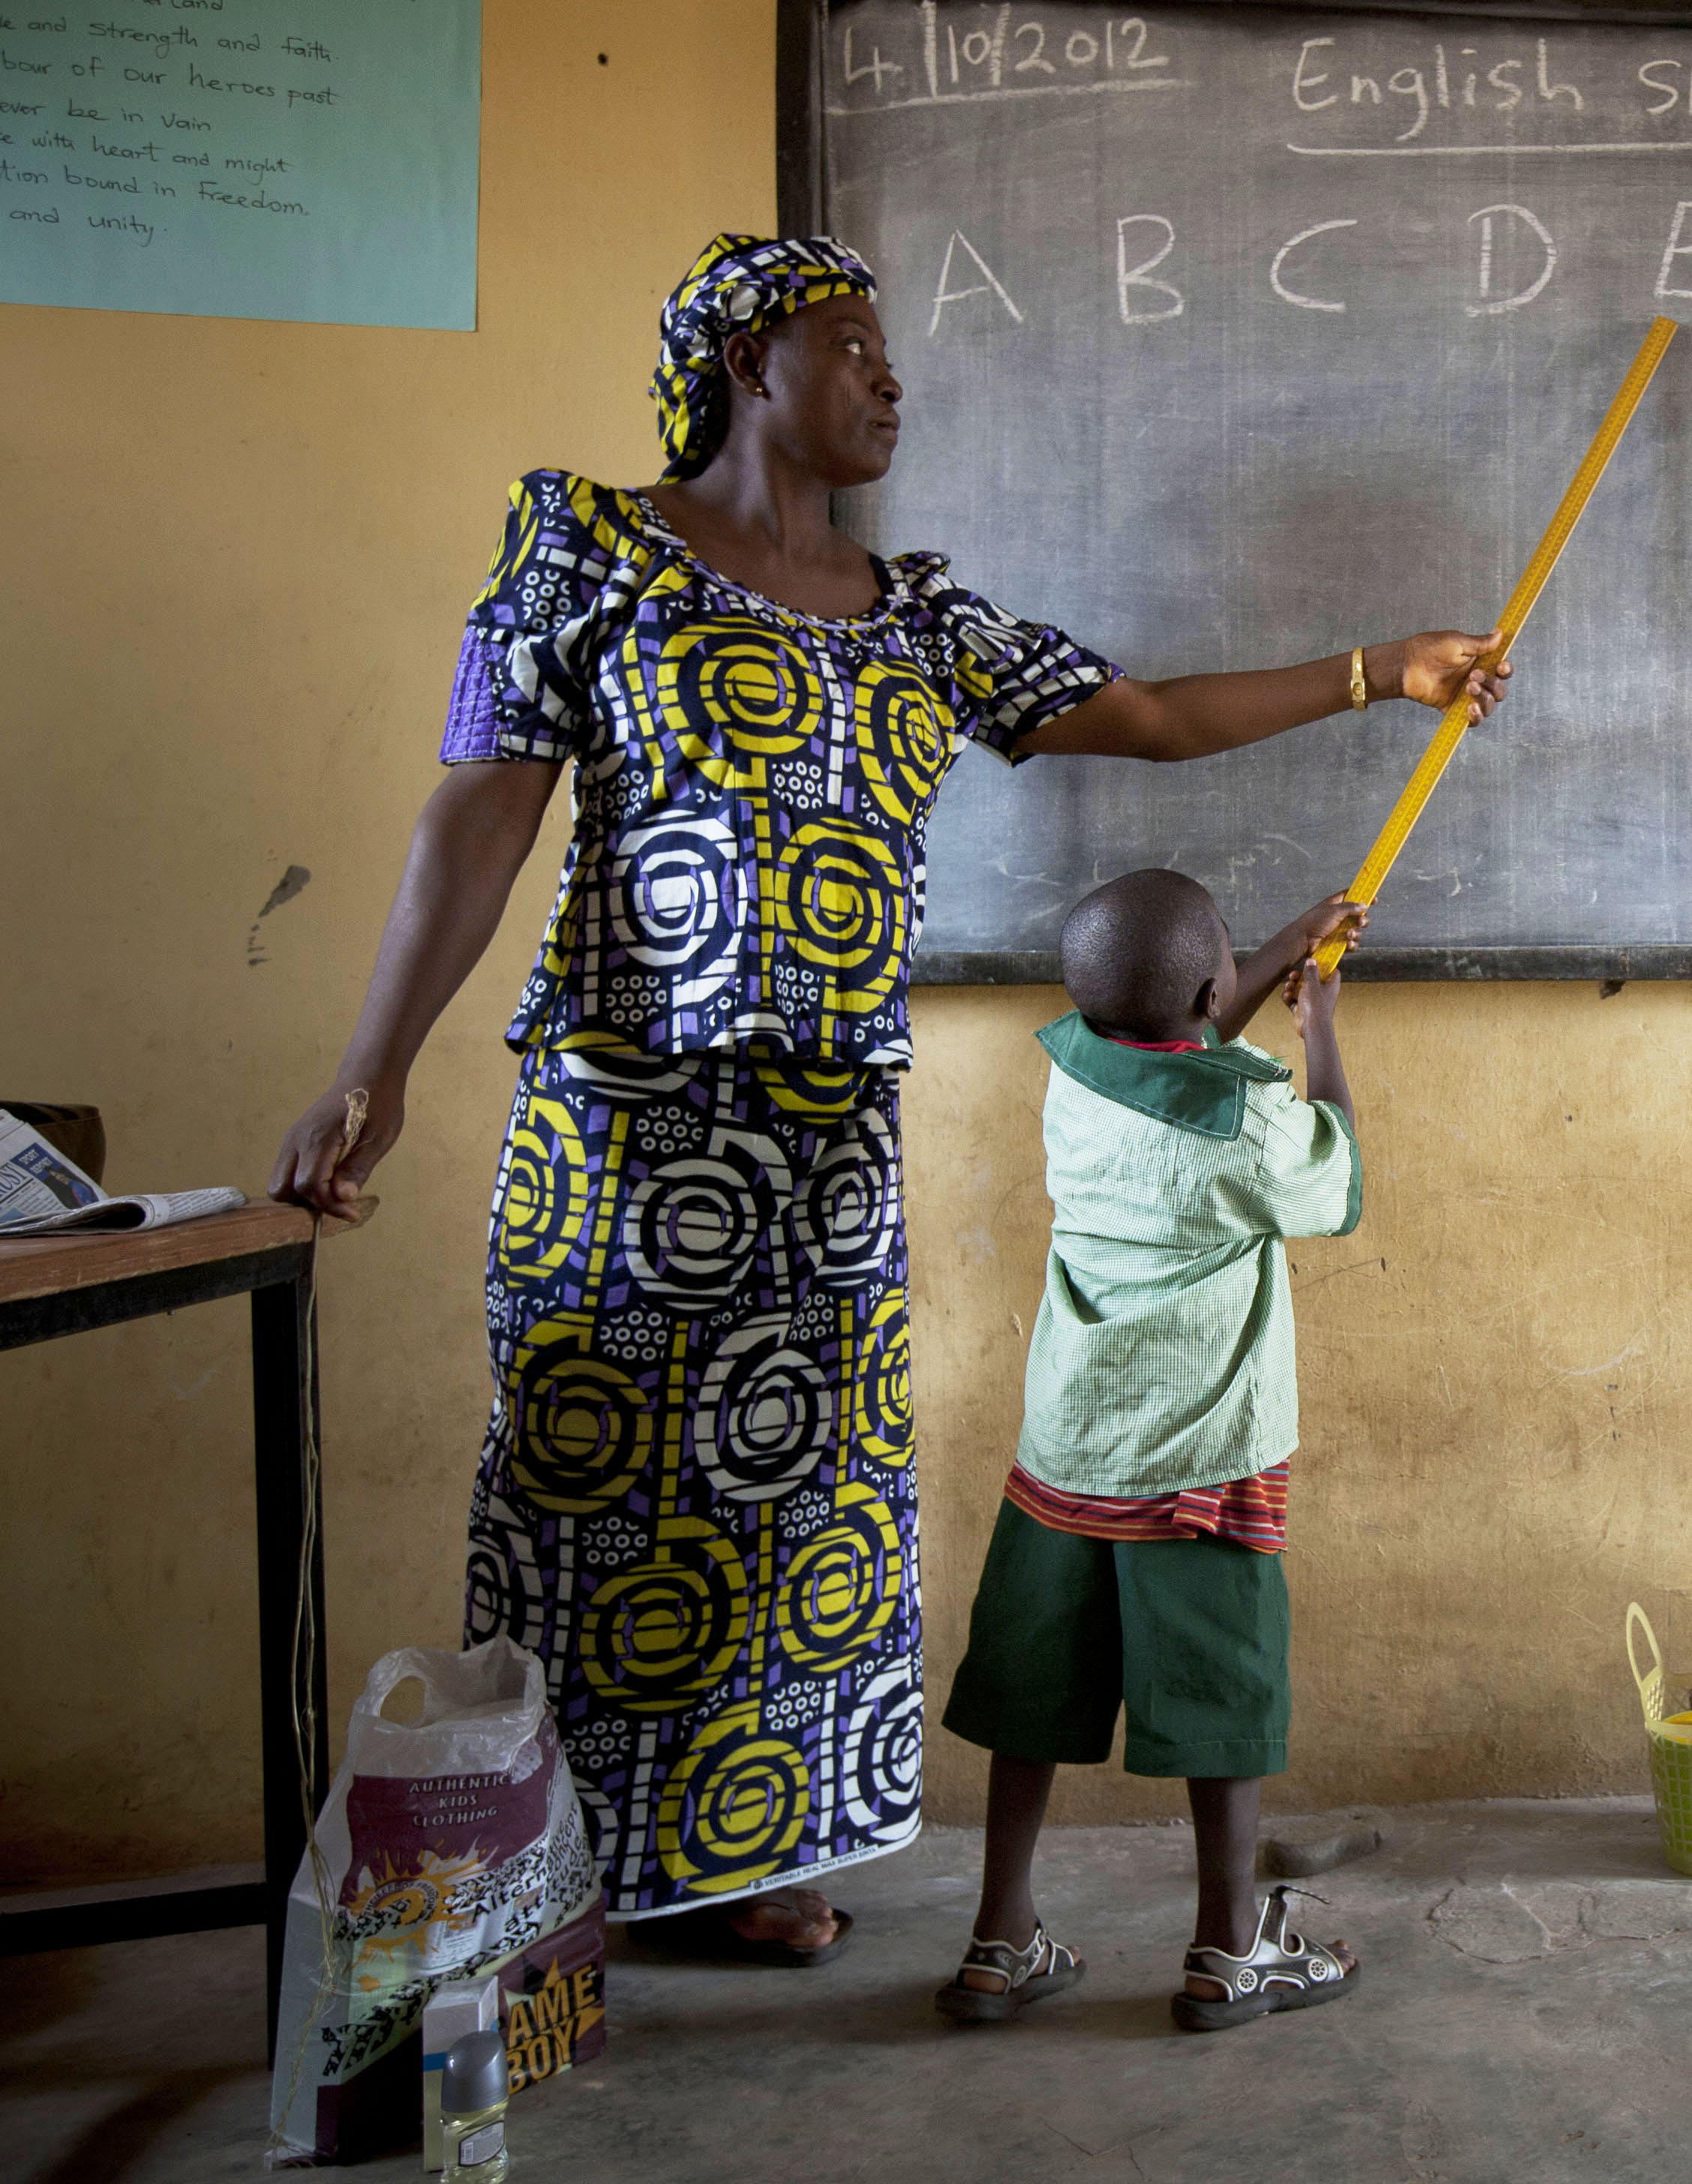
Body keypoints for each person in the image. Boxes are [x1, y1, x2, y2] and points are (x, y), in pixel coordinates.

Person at [264, 234, 1504, 1961]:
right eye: (852, 344)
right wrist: (370, 1068)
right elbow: (478, 813)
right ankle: (573, 1876)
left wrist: (1383, 672)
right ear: (751, 363)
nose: (890, 376)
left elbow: (1140, 711)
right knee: (592, 1484)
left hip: (829, 1142)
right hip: (626, 1121)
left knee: (793, 1510)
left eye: (890, 349)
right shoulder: (585, 543)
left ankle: (746, 1859)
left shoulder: (916, 612)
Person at [935, 868, 1366, 2032]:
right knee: (1221, 1698)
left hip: (1069, 1451)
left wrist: (1278, 940)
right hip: (1201, 1461)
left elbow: (1176, 1040)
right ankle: (1228, 1952)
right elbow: (1332, 1175)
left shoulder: (1075, 1069)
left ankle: (999, 1940)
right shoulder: (1247, 1118)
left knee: (1031, 1691)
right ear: (1208, 985)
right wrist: (1320, 1027)